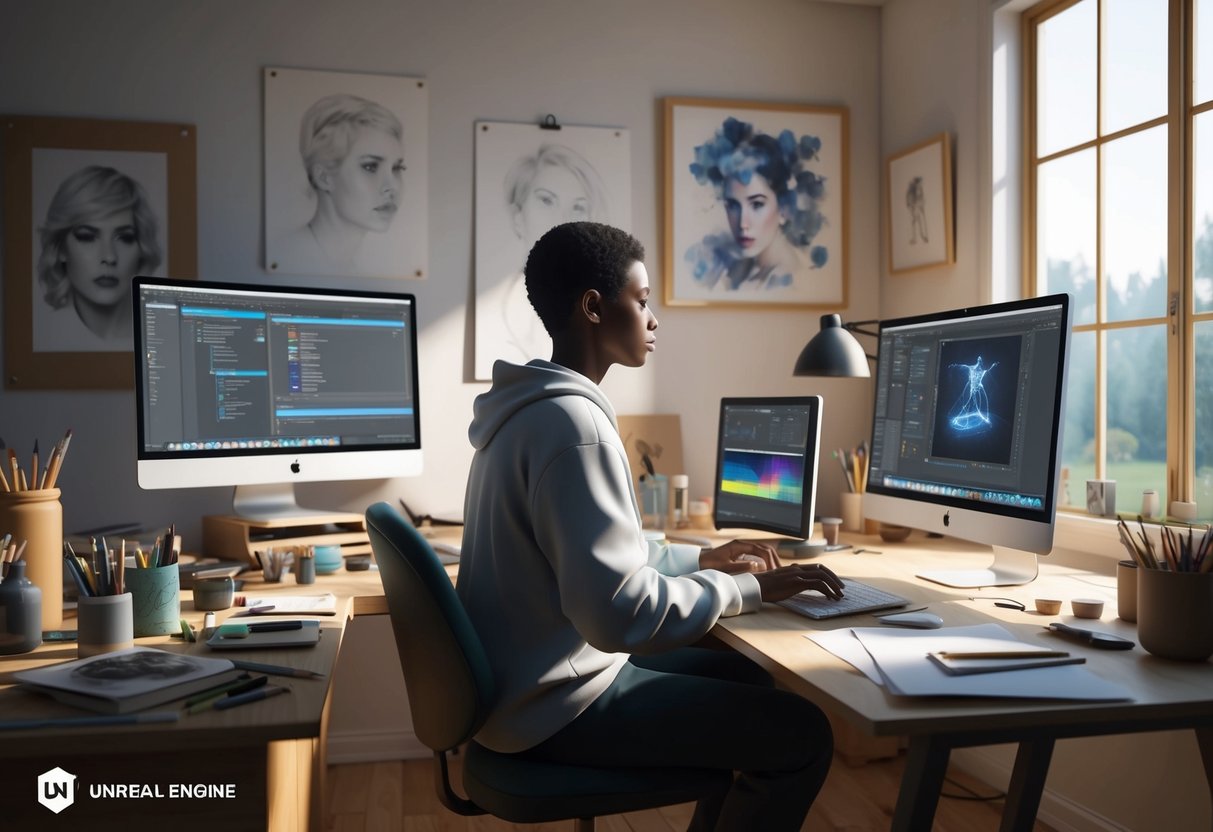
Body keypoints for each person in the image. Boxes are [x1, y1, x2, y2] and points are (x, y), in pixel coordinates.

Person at [458, 221, 843, 830]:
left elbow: (599, 557)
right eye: (641, 301)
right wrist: (750, 588)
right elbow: (618, 615)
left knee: (753, 681)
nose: (653, 319)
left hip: (525, 691)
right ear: (593, 307)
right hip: (556, 708)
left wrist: (701, 561)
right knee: (804, 733)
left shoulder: (530, 413)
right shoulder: (572, 427)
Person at [481, 144, 609, 372]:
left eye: (578, 207)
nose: (563, 218)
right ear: (518, 216)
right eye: (547, 201)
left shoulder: (598, 310)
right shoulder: (500, 315)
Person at [686, 116, 829, 292]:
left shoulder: (795, 282)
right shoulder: (737, 275)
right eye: (733, 205)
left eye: (757, 205)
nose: (742, 224)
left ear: (784, 209)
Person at [36, 165, 162, 348]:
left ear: (142, 249)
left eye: (125, 238)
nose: (109, 257)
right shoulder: (48, 338)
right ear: (60, 249)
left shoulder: (160, 338)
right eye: (87, 237)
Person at [286, 93, 405, 271]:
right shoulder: (290, 258)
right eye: (370, 166)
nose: (393, 186)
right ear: (324, 177)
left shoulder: (360, 267)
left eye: (397, 168)